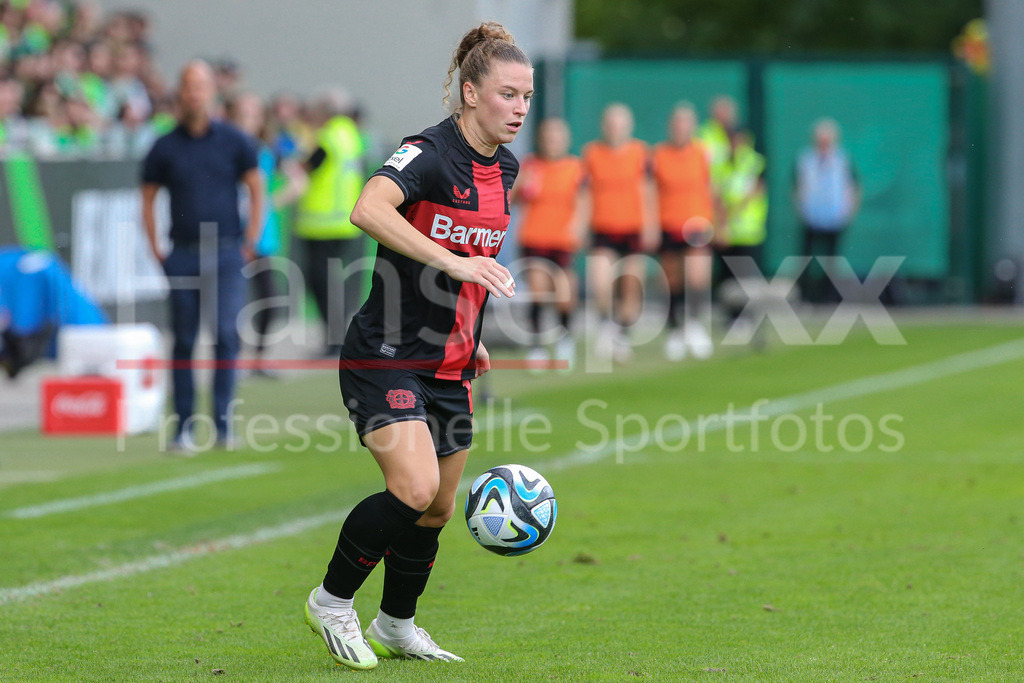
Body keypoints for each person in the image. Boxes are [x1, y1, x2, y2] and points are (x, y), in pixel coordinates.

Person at [303, 22, 530, 669]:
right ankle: (330, 601)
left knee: (436, 507)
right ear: (470, 93)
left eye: (526, 97)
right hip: (385, 353)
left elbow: (474, 262)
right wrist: (451, 261)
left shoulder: (505, 168)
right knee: (413, 486)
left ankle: (397, 623)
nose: (519, 108)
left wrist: (472, 337)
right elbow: (368, 209)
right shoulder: (426, 151)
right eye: (507, 94)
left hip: (449, 360)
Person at [141, 60, 262, 451]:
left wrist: (250, 239)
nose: (195, 94)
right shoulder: (164, 146)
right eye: (188, 86)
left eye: (201, 86)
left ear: (212, 92)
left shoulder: (234, 141)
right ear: (180, 92)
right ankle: (184, 428)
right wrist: (156, 248)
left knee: (226, 335)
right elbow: (147, 198)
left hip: (226, 253)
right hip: (182, 254)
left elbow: (257, 188)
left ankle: (224, 425)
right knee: (183, 340)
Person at [227, 92, 305, 377]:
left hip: (262, 236)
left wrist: (271, 202)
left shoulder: (268, 149)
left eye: (253, 115)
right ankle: (232, 359)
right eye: (242, 114)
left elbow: (299, 181)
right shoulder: (224, 148)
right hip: (232, 235)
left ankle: (259, 358)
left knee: (269, 299)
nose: (248, 120)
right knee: (232, 301)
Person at [294, 87, 366, 357]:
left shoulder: (327, 137)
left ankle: (334, 339)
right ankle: (337, 337)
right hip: (344, 223)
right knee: (333, 283)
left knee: (322, 284)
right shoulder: (350, 136)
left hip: (321, 225)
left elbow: (304, 167)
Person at [581, 103, 655, 363]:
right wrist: (582, 226)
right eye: (611, 125)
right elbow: (585, 193)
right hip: (603, 228)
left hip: (633, 229)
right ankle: (606, 326)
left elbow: (648, 191)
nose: (616, 130)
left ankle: (623, 334)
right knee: (600, 284)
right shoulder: (592, 153)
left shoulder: (640, 153)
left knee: (631, 285)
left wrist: (651, 225)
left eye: (620, 125)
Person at [511, 117, 584, 369]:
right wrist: (523, 184)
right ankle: (537, 344)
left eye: (557, 138)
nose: (553, 142)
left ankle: (565, 337)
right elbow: (512, 198)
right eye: (548, 137)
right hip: (534, 236)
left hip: (562, 239)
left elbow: (583, 201)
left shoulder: (574, 167)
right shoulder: (531, 166)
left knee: (564, 292)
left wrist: (578, 227)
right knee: (538, 290)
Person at [652, 103, 715, 361]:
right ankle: (675, 330)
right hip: (668, 223)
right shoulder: (658, 155)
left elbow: (711, 187)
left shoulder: (703, 153)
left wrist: (716, 219)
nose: (681, 128)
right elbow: (651, 190)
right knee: (672, 281)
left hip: (697, 224)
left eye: (685, 123)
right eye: (677, 123)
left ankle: (695, 323)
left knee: (698, 277)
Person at [793, 118, 860, 303]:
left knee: (832, 260)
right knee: (807, 259)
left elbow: (854, 186)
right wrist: (801, 209)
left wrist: (849, 211)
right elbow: (796, 186)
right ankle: (805, 295)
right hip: (811, 216)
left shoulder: (842, 159)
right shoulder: (805, 159)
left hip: (835, 217)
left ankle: (828, 296)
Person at [714, 128, 768, 334]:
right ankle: (730, 316)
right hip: (727, 232)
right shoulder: (721, 164)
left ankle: (747, 316)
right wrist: (721, 224)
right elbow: (717, 194)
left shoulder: (755, 162)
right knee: (727, 279)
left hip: (748, 232)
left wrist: (732, 212)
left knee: (745, 278)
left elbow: (755, 191)